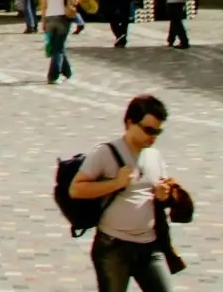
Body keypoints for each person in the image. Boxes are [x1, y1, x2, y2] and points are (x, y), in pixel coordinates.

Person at [69, 94, 180, 292]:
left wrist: (163, 196)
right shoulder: (105, 153)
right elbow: (76, 189)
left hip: (150, 246)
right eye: (149, 130)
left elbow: (157, 195)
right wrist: (116, 183)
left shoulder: (154, 155)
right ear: (130, 122)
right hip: (114, 247)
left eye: (158, 132)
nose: (153, 136)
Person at [40, 0, 80, 84]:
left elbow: (43, 6)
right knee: (59, 49)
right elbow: (75, 0)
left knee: (57, 46)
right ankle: (53, 75)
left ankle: (67, 72)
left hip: (49, 19)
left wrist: (43, 21)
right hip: (63, 18)